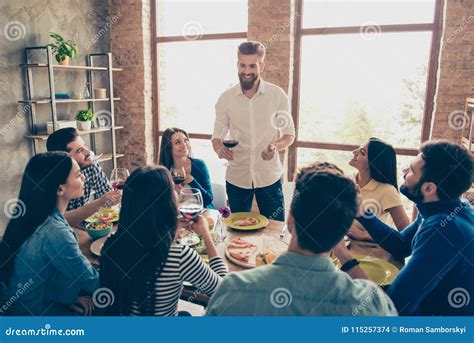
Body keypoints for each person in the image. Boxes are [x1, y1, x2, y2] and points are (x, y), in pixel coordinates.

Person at [206, 162, 397, 316]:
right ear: (344, 232)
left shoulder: (232, 291)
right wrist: (345, 255)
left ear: (290, 219)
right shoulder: (370, 306)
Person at [333, 140, 474, 316]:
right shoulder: (445, 207)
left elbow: (392, 307)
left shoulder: (442, 229)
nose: (404, 171)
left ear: (429, 188)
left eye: (411, 170)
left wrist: (343, 255)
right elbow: (400, 245)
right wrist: (361, 211)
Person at [99, 166, 228, 316]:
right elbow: (225, 290)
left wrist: (169, 228)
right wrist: (206, 235)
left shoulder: (110, 245)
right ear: (166, 203)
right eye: (172, 189)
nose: (176, 192)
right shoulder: (180, 256)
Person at [0, 152, 99, 315]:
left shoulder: (32, 217)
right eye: (78, 175)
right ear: (60, 188)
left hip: (25, 306)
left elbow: (38, 276)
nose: (84, 179)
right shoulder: (56, 232)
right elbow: (91, 280)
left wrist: (67, 297)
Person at [211, 41, 295, 221]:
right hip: (237, 177)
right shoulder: (226, 99)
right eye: (242, 65)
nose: (246, 71)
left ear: (262, 66)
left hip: (269, 177)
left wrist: (275, 146)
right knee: (238, 231)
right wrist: (220, 149)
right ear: (237, 65)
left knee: (274, 229)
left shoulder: (277, 95)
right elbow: (216, 137)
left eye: (252, 66)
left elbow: (289, 134)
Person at [46, 128, 121, 227]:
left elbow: (108, 197)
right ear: (63, 159)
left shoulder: (90, 165)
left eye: (85, 145)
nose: (89, 152)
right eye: (79, 150)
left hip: (83, 225)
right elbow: (54, 222)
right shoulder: (49, 178)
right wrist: (98, 203)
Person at [348, 138, 410, 242]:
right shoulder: (348, 180)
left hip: (375, 253)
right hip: (346, 248)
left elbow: (407, 234)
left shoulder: (387, 191)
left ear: (373, 163)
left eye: (362, 152)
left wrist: (365, 235)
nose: (354, 152)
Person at [159, 127, 214, 208]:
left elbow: (208, 199)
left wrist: (192, 181)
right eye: (178, 142)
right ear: (168, 147)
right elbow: (160, 204)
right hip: (177, 214)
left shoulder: (199, 165)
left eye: (185, 140)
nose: (184, 145)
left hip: (201, 212)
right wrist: (173, 192)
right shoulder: (164, 170)